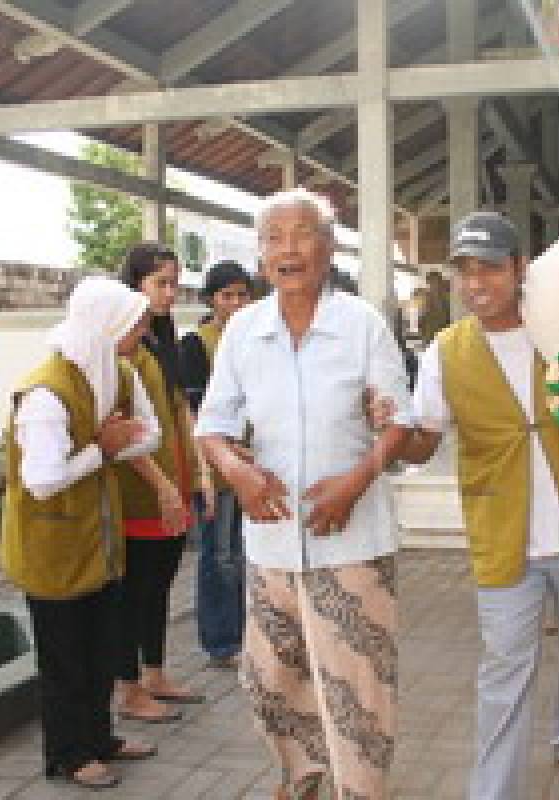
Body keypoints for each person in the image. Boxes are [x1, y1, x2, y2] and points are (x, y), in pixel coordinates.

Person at [399, 211, 559, 799]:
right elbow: (425, 440)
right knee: (504, 672)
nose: (476, 282)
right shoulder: (445, 352)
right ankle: (493, 791)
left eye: (490, 267)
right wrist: (387, 438)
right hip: (504, 531)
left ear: (520, 268)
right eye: (464, 270)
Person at [196, 188, 411, 800]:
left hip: (352, 539)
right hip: (269, 542)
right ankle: (304, 773)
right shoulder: (243, 329)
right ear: (261, 254)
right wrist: (234, 473)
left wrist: (357, 480)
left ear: (328, 245)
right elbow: (211, 425)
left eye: (302, 234)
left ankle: (360, 790)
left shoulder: (361, 323)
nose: (288, 249)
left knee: (359, 688)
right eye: (273, 238)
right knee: (269, 680)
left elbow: (400, 420)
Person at [0, 277, 160, 790]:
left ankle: (99, 739)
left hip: (98, 543)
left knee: (99, 649)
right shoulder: (47, 391)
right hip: (53, 546)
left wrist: (111, 446)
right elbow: (43, 481)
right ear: (104, 328)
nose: (141, 333)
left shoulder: (114, 375)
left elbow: (148, 433)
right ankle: (68, 754)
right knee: (65, 659)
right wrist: (102, 451)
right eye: (133, 325)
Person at [114, 242, 201, 723]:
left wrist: (198, 472)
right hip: (141, 490)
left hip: (175, 481)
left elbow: (180, 410)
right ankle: (127, 688)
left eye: (174, 283)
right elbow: (122, 426)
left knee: (160, 584)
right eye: (159, 284)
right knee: (136, 589)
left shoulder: (163, 341)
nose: (169, 294)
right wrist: (163, 484)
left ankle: (154, 671)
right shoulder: (123, 347)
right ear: (134, 285)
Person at [180, 261, 255, 669]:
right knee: (219, 555)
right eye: (228, 295)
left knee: (244, 554)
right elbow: (193, 414)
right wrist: (207, 469)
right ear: (211, 299)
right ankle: (221, 641)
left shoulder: (257, 340)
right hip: (216, 465)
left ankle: (247, 633)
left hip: (255, 461)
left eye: (243, 294)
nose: (237, 303)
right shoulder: (196, 345)